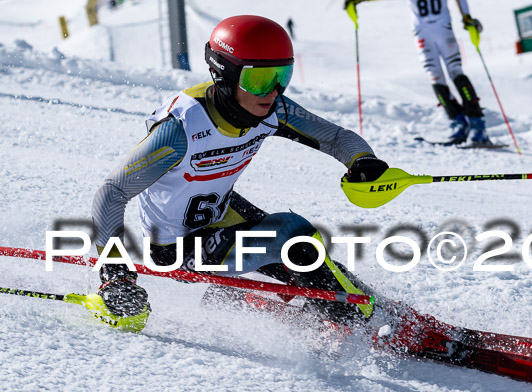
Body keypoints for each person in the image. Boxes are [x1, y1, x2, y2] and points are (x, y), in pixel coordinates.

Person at [91, 15, 390, 331]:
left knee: (306, 256)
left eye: (281, 76)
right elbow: (112, 192)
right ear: (226, 75)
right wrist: (115, 273)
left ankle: (365, 305)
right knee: (290, 234)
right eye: (260, 79)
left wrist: (361, 160)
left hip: (218, 216)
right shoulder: (181, 130)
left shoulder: (271, 109)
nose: (273, 91)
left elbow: (334, 136)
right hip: (177, 248)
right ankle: (362, 321)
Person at [345, 0, 491, 145]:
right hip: (424, 34)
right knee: (435, 77)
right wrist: (466, 16)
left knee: (455, 72)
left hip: (440, 30)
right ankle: (458, 122)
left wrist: (467, 16)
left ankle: (477, 125)